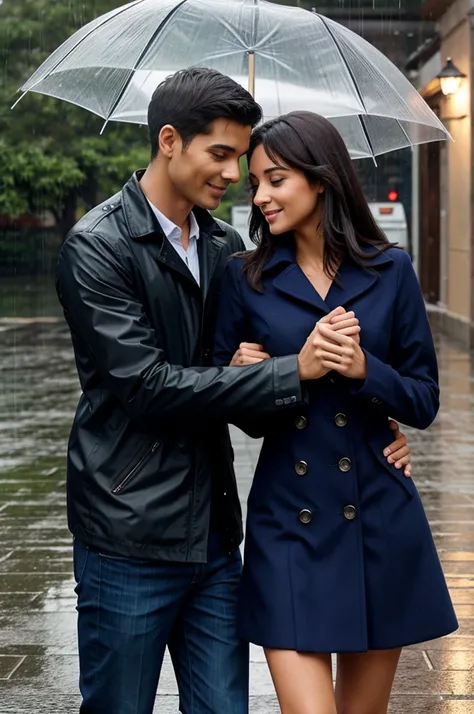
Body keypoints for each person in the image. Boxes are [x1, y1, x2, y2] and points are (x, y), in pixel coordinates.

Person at [56, 68, 412, 714]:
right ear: (169, 141)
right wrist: (283, 372)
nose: (233, 174)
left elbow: (248, 364)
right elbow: (147, 387)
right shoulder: (97, 247)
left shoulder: (225, 248)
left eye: (242, 161)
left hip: (218, 538)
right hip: (128, 531)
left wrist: (374, 411)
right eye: (220, 155)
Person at [213, 111, 458, 714]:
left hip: (378, 515)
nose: (262, 196)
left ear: (320, 178)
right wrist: (253, 376)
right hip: (287, 524)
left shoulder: (390, 271)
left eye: (276, 179)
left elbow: (423, 400)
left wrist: (362, 369)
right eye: (255, 185)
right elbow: (227, 403)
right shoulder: (245, 278)